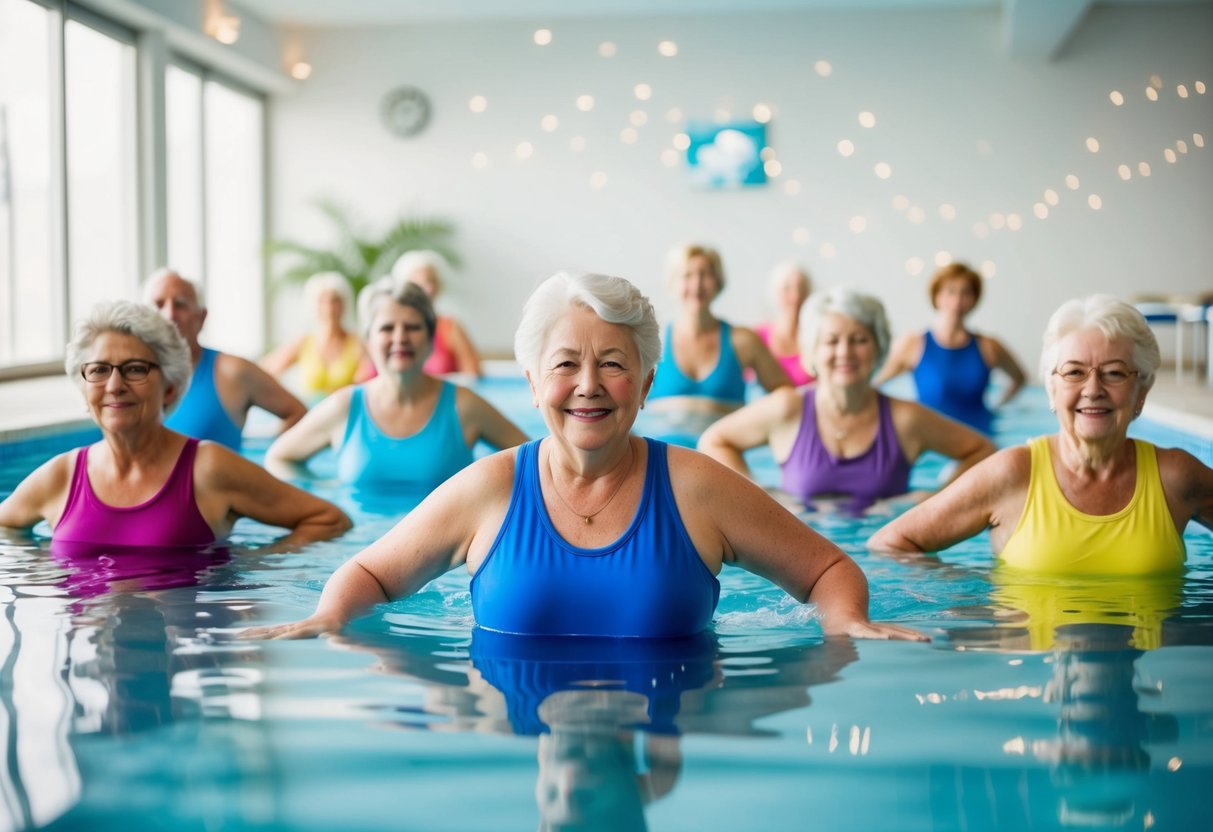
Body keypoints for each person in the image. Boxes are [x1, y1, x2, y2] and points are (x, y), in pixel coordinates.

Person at [244, 271, 926, 642]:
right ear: (534, 381)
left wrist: (845, 624)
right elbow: (369, 571)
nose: (589, 386)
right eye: (565, 364)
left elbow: (828, 567)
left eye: (612, 365)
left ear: (647, 382)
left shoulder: (696, 488)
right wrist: (327, 619)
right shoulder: (489, 489)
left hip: (673, 725)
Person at [867, 294, 1213, 571]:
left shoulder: (1177, 477)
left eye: (1114, 372)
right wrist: (977, 601)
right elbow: (890, 543)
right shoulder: (1013, 474)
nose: (1093, 389)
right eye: (1074, 372)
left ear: (1142, 391)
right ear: (1050, 389)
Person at [0, 300, 352, 548]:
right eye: (98, 370)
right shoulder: (61, 476)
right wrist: (41, 573)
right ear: (83, 387)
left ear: (169, 386)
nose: (114, 384)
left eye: (135, 368)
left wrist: (253, 569)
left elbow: (329, 519)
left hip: (184, 650)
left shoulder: (207, 468)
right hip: (88, 652)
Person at [698, 287, 995, 512]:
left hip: (885, 569)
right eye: (832, 341)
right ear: (812, 351)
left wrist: (935, 500)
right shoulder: (788, 409)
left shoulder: (906, 420)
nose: (845, 352)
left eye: (860, 340)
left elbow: (983, 451)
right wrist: (762, 495)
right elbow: (713, 441)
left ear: (879, 349)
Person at [265, 276, 527, 492]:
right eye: (387, 328)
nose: (400, 338)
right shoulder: (345, 408)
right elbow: (278, 458)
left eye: (412, 327)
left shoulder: (463, 406)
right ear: (368, 340)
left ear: (430, 337)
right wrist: (324, 492)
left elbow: (539, 461)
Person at [143, 269, 308, 451]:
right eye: (158, 305)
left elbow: (301, 415)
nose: (169, 315)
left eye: (180, 304)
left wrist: (267, 454)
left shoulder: (232, 371)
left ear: (201, 317)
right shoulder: (125, 375)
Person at [874, 262, 1027, 435]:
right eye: (950, 291)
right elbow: (876, 385)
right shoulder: (913, 344)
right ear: (937, 296)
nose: (957, 300)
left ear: (975, 299)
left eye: (966, 292)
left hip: (980, 440)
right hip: (931, 445)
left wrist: (997, 408)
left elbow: (1019, 378)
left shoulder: (989, 346)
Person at [647, 245, 791, 415]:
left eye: (705, 274)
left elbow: (787, 395)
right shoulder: (651, 340)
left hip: (725, 441)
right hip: (660, 440)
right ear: (673, 283)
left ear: (718, 281)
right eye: (687, 275)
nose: (697, 284)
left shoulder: (743, 341)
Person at [260, 271, 371, 400]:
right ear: (313, 305)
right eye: (322, 301)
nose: (329, 307)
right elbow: (265, 370)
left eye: (335, 301)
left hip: (346, 413)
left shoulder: (358, 343)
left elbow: (370, 382)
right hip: (310, 414)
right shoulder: (303, 343)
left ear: (344, 304)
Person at [391, 249, 482, 377]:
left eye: (432, 281)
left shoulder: (450, 327)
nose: (429, 288)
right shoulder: (390, 329)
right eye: (421, 282)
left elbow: (474, 375)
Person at [755, 261, 814, 387]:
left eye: (801, 289)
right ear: (774, 292)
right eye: (787, 288)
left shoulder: (816, 337)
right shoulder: (758, 337)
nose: (795, 296)